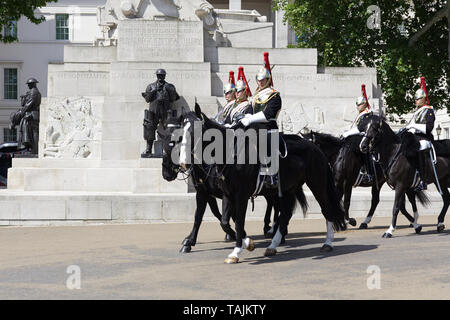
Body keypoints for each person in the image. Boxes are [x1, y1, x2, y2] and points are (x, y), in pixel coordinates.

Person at [238, 53, 281, 187]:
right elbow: (250, 112)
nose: (260, 82)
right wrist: (244, 117)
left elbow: (268, 114)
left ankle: (272, 174)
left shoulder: (274, 95)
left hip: (268, 128)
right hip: (255, 128)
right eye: (258, 79)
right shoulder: (256, 97)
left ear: (268, 80)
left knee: (264, 140)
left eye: (263, 80)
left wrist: (250, 119)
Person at [404, 77, 436, 190]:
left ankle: (423, 180)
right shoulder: (417, 112)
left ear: (423, 99)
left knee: (420, 147)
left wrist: (414, 126)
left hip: (425, 138)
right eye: (415, 99)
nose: (415, 101)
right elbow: (410, 125)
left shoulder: (429, 111)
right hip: (415, 137)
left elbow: (428, 128)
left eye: (417, 99)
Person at [141, 69, 179, 157]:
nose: (160, 77)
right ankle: (148, 148)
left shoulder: (169, 86)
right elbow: (147, 99)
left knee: (170, 129)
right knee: (149, 128)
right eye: (159, 76)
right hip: (154, 110)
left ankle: (171, 148)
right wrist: (154, 91)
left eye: (162, 75)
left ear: (165, 76)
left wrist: (170, 90)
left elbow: (173, 99)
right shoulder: (151, 86)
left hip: (166, 110)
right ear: (156, 76)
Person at [10, 78, 41, 155]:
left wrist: (21, 112)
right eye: (28, 84)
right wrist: (23, 99)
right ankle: (32, 150)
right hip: (30, 114)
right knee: (29, 132)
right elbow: (25, 104)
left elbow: (28, 105)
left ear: (33, 84)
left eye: (29, 84)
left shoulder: (34, 92)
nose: (28, 86)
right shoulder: (32, 92)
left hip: (32, 115)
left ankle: (34, 151)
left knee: (33, 133)